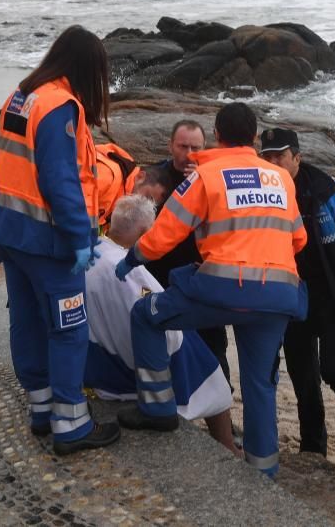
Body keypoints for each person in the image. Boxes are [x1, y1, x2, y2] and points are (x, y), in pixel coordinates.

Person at [114, 102, 308, 478]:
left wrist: (131, 259)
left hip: (221, 290)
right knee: (260, 384)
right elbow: (299, 239)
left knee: (146, 315)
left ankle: (157, 410)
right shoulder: (280, 178)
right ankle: (263, 471)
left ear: (217, 134)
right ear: (253, 137)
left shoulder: (204, 176)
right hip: (277, 296)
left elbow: (166, 232)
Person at [0, 25, 120, 455]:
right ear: (84, 68)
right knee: (68, 328)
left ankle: (41, 409)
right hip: (47, 240)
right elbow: (62, 180)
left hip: (8, 230)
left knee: (26, 319)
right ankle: (71, 424)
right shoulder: (61, 107)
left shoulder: (23, 94)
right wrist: (81, 237)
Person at [83, 194, 239, 454]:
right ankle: (227, 444)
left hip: (98, 364)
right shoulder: (128, 268)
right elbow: (164, 330)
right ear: (146, 232)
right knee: (195, 349)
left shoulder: (95, 252)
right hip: (129, 370)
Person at [258, 127, 335, 465]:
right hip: (289, 293)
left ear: (298, 157)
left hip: (330, 292)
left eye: (280, 155)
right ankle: (313, 447)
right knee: (301, 373)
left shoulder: (327, 189)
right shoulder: (262, 191)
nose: (273, 162)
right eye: (267, 156)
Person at [147, 120, 232, 387]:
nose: (188, 154)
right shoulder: (153, 177)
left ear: (205, 147)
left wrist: (202, 182)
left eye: (195, 147)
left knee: (213, 347)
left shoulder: (216, 178)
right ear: (171, 145)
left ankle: (222, 407)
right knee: (163, 344)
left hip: (202, 274)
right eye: (182, 146)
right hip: (160, 275)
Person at [94, 142, 172, 230]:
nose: (144, 206)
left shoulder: (123, 195)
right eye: (147, 197)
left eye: (150, 205)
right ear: (140, 177)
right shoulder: (107, 177)